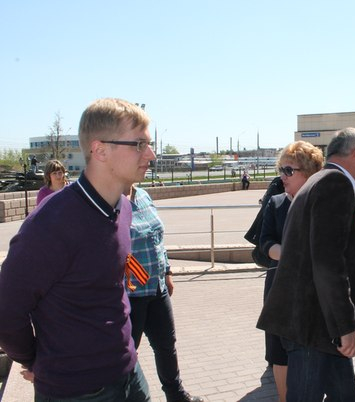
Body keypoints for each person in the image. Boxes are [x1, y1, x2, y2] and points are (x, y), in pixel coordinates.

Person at [0, 98, 155, 401]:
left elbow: (110, 287)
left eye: (149, 144)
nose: (150, 154)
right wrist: (35, 360)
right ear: (100, 150)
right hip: (77, 391)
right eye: (139, 144)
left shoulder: (123, 209)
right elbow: (7, 309)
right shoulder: (51, 223)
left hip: (129, 374)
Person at [257, 127, 355, 402]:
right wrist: (346, 326)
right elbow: (327, 264)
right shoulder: (335, 184)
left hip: (319, 329)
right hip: (314, 329)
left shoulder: (321, 182)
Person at [258, 141, 324, 402]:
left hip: (315, 293)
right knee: (279, 353)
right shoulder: (275, 203)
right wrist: (289, 254)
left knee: (314, 351)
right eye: (281, 170)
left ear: (308, 172)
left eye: (288, 170)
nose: (282, 176)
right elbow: (265, 242)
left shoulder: (323, 204)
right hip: (279, 291)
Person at [126, 185, 203, 402]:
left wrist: (167, 272)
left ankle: (176, 395)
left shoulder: (143, 195)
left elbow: (158, 240)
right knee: (126, 353)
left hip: (157, 288)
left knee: (166, 345)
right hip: (131, 294)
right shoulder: (111, 200)